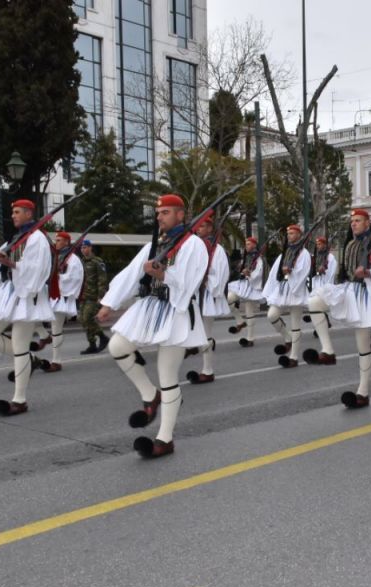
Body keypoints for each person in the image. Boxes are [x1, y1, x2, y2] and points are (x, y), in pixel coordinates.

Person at [97, 193, 208, 458]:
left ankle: (164, 439)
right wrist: (109, 304)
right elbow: (132, 272)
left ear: (181, 215)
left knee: (167, 375)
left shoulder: (193, 244)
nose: (160, 217)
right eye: (158, 213)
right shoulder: (157, 243)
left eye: (166, 212)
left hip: (177, 310)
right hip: (151, 306)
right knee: (118, 345)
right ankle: (150, 394)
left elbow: (190, 280)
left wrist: (163, 274)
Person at [0, 199, 56, 416]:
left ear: (28, 213)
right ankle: (29, 359)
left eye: (17, 212)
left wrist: (11, 264)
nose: (13, 215)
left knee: (20, 346)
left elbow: (38, 270)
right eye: (13, 212)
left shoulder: (37, 238)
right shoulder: (17, 237)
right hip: (9, 293)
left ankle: (19, 399)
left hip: (27, 296)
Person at [303, 208, 371, 408]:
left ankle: (363, 392)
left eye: (358, 220)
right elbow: (343, 270)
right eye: (352, 221)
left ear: (368, 223)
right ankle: (327, 351)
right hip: (350, 290)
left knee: (362, 346)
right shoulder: (351, 244)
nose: (354, 224)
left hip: (366, 295)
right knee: (315, 302)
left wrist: (368, 273)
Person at [186, 211, 230, 384]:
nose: (198, 230)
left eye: (202, 226)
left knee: (206, 333)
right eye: (197, 227)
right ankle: (195, 348)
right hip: (194, 295)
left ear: (210, 228)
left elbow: (220, 273)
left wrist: (207, 281)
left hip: (207, 295)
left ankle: (207, 370)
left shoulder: (217, 250)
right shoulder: (195, 246)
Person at [34, 231, 84, 371]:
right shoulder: (54, 257)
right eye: (56, 240)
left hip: (61, 297)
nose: (56, 242)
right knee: (32, 317)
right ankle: (44, 335)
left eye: (59, 240)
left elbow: (75, 278)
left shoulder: (72, 259)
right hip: (48, 294)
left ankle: (56, 361)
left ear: (67, 242)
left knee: (56, 329)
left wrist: (59, 278)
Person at [263, 224, 311, 368]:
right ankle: (287, 337)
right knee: (272, 315)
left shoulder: (304, 253)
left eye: (292, 233)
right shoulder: (284, 252)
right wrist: (271, 288)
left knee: (295, 324)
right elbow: (274, 273)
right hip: (282, 290)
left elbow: (304, 272)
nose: (289, 235)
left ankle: (294, 357)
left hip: (295, 290)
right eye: (288, 233)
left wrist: (291, 272)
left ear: (299, 235)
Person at [226, 236, 264, 347]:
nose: (246, 246)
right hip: (242, 284)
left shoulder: (259, 259)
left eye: (248, 244)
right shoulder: (246, 257)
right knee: (228, 299)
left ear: (254, 245)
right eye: (246, 244)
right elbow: (241, 269)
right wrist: (241, 270)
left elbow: (259, 273)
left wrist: (249, 274)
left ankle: (250, 339)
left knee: (249, 312)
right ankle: (240, 321)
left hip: (252, 286)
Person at [78, 239, 110, 354]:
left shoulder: (97, 261)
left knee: (87, 318)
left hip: (94, 296)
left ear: (90, 248)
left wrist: (101, 297)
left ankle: (102, 337)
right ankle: (92, 344)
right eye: (82, 248)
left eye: (85, 247)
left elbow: (102, 280)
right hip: (83, 296)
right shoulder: (80, 262)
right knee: (82, 320)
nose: (83, 250)